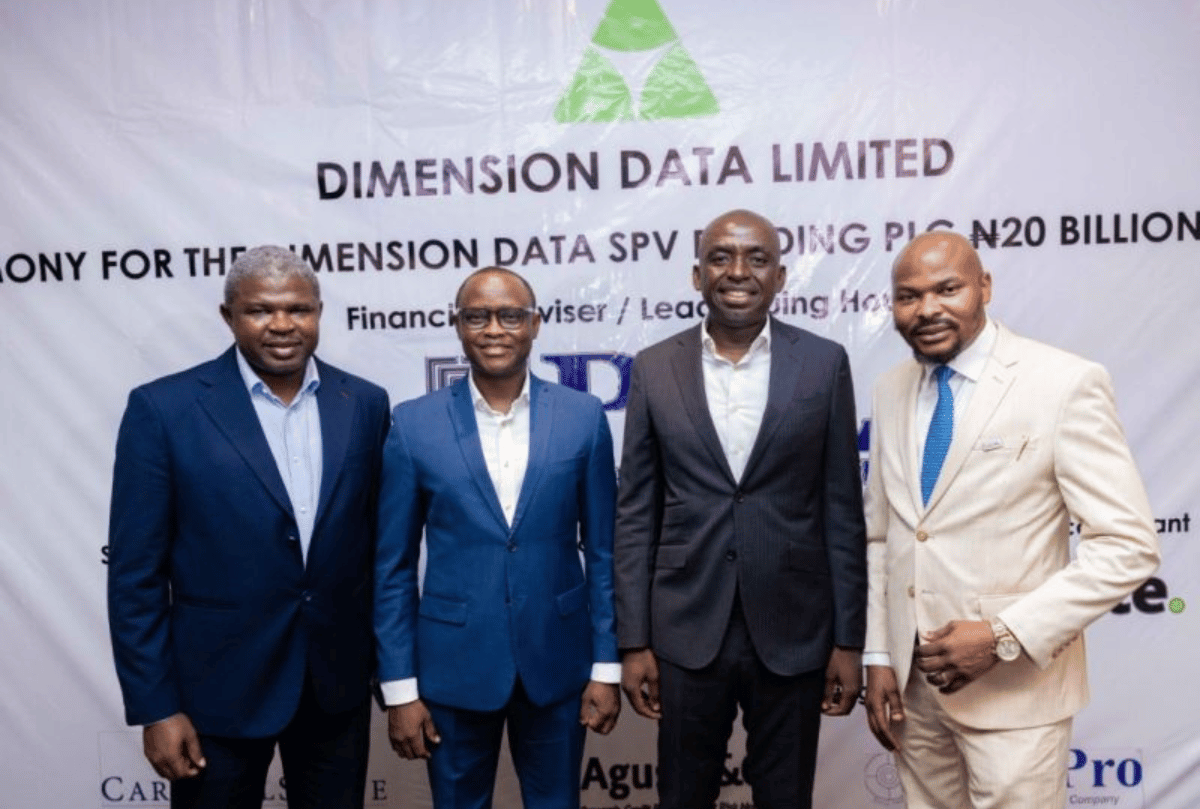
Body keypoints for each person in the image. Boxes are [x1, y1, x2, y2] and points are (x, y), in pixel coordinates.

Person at [862, 231, 1160, 808]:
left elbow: (1128, 545)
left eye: (947, 289)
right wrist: (879, 656)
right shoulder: (890, 389)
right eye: (908, 296)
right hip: (914, 693)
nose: (927, 309)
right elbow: (884, 537)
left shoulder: (1063, 383)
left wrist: (1004, 635)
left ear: (985, 287)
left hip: (1015, 691)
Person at [107, 246, 391, 809]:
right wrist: (156, 707)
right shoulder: (164, 409)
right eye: (260, 310)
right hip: (214, 694)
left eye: (299, 309)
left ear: (318, 312)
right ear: (228, 316)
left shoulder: (364, 403)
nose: (282, 324)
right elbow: (135, 576)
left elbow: (379, 552)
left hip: (335, 688)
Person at [614, 209, 866, 809]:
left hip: (795, 627)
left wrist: (849, 640)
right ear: (696, 275)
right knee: (682, 796)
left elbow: (841, 508)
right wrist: (633, 641)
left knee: (786, 797)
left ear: (780, 277)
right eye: (721, 257)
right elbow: (637, 512)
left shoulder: (823, 363)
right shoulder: (654, 366)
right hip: (684, 626)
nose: (738, 271)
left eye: (757, 258)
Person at [374, 267, 620, 809]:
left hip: (558, 662)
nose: (493, 329)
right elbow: (392, 568)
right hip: (451, 669)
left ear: (535, 324)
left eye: (510, 316)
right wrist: (400, 687)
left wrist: (606, 666)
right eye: (477, 317)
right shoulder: (413, 425)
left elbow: (605, 553)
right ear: (457, 325)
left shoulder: (583, 417)